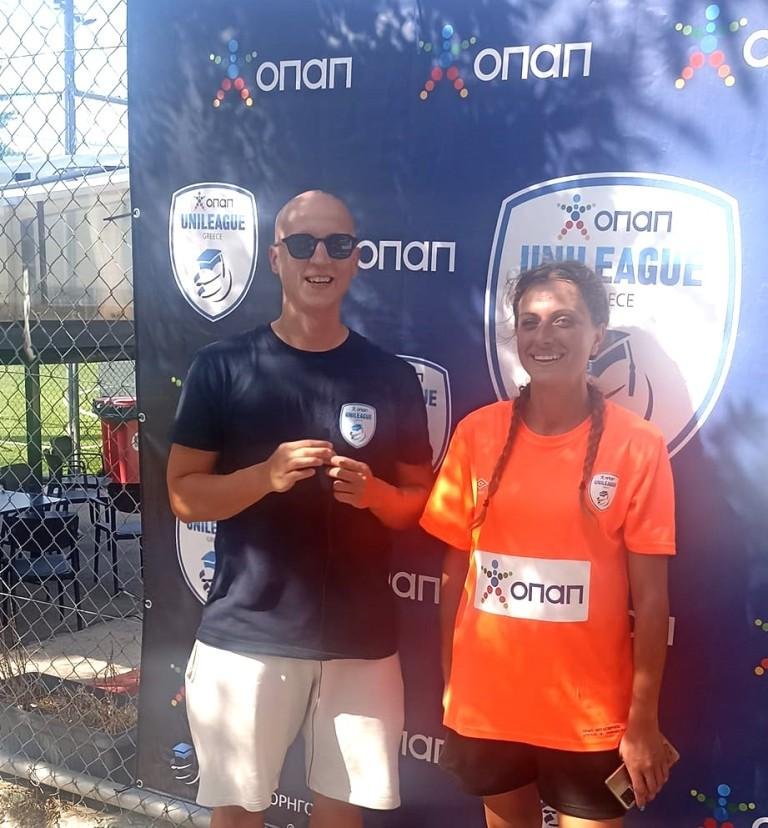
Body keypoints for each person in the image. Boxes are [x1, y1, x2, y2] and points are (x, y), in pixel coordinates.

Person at [166, 190, 433, 828]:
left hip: (360, 637)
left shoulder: (392, 377)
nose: (321, 258)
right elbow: (183, 495)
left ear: (357, 259)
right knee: (238, 812)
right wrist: (264, 476)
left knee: (341, 813)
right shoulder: (222, 366)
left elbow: (417, 506)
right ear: (275, 258)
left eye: (337, 244)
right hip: (248, 631)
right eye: (303, 243)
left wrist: (375, 495)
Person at [420, 261, 677, 827]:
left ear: (597, 336)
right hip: (489, 705)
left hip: (589, 717)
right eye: (530, 322)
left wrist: (642, 719)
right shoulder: (476, 433)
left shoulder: (638, 445)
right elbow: (454, 573)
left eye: (564, 320)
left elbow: (652, 600)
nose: (544, 336)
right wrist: (452, 682)